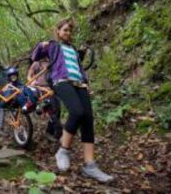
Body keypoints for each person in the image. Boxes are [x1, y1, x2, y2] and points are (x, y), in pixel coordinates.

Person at [31, 18, 114, 183]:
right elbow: (35, 56)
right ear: (58, 31)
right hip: (61, 81)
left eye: (70, 31)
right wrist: (42, 45)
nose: (68, 33)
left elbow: (77, 66)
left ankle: (90, 165)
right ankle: (63, 150)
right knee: (77, 112)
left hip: (80, 84)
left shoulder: (73, 50)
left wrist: (86, 82)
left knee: (87, 119)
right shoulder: (54, 45)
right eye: (65, 30)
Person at [27, 58, 62, 142]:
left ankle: (50, 131)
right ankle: (58, 134)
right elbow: (29, 75)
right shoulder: (36, 63)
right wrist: (32, 82)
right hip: (41, 89)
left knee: (58, 110)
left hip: (52, 89)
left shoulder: (52, 63)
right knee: (51, 110)